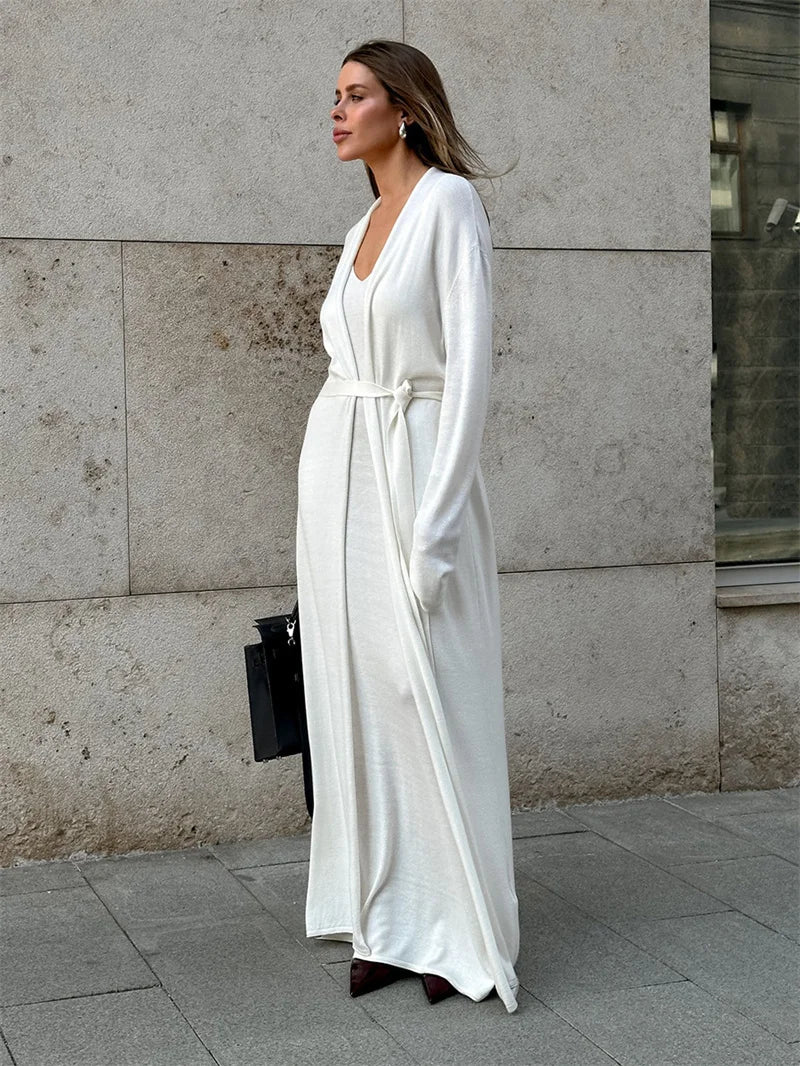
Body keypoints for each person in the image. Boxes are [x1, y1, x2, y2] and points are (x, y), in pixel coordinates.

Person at [295, 38, 520, 1013]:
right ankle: (387, 918)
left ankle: (457, 928)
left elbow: (467, 372)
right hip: (339, 484)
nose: (336, 113)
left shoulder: (446, 205)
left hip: (412, 473)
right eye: (334, 98)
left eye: (355, 96)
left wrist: (431, 530)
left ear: (406, 108)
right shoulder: (360, 231)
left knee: (427, 688)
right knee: (356, 701)